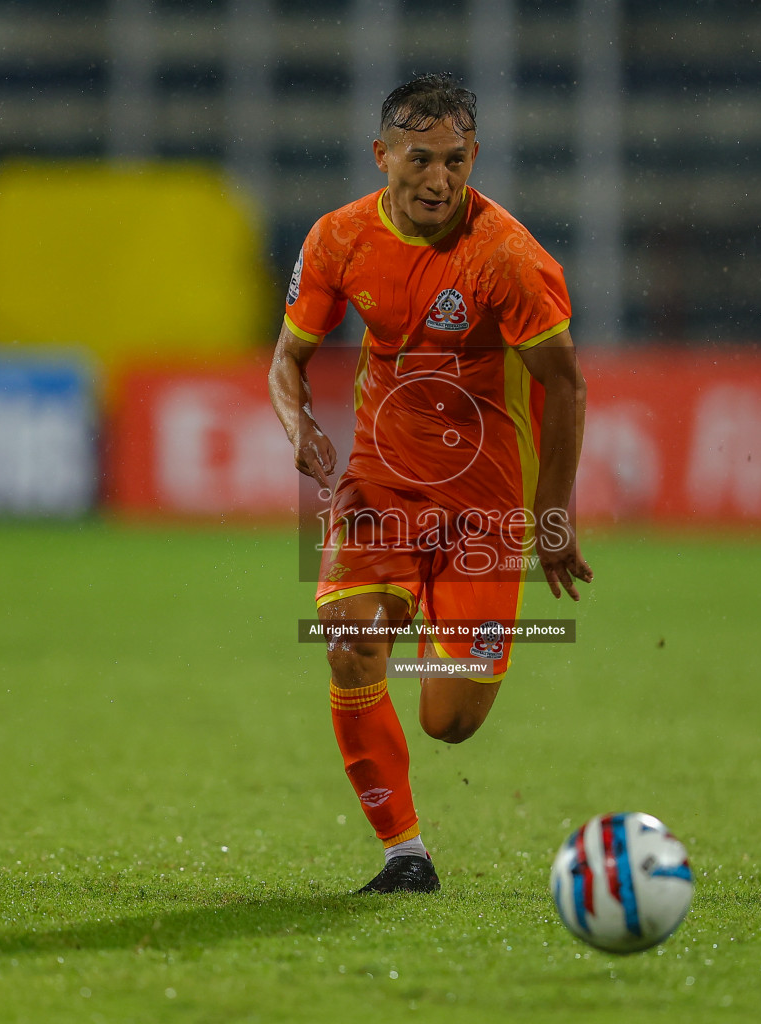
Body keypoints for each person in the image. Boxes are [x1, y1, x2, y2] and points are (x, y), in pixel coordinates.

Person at [269, 74, 592, 894]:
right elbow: (287, 360)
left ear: (474, 155)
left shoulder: (509, 258)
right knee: (349, 643)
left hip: (485, 506)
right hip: (380, 485)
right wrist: (297, 424)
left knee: (448, 722)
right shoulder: (338, 239)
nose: (439, 179)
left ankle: (437, 624)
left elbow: (568, 384)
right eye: (420, 159)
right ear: (382, 156)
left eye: (455, 160)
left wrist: (552, 512)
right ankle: (403, 854)